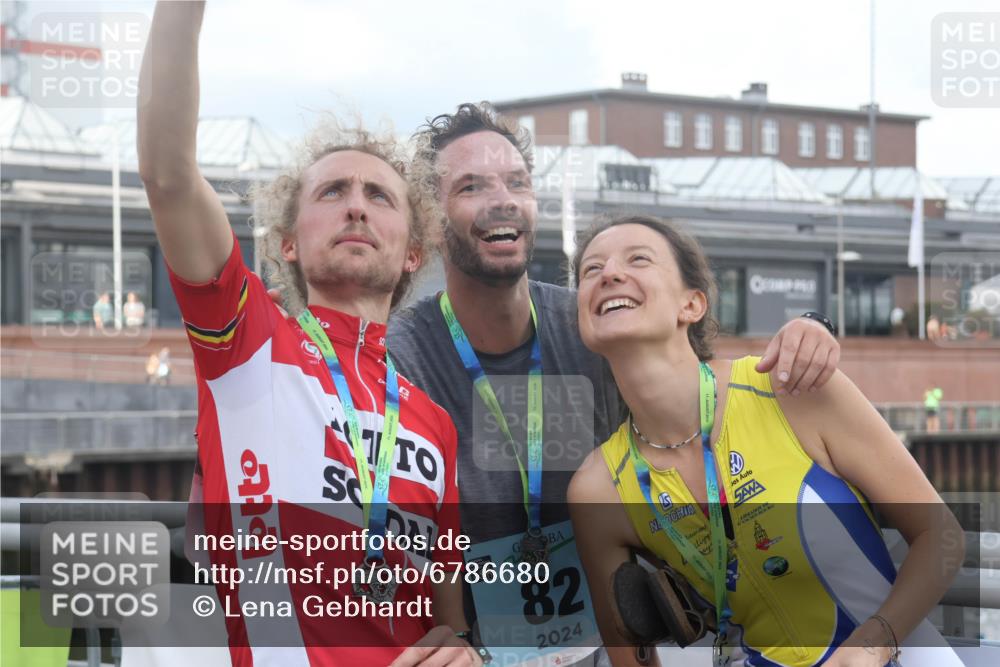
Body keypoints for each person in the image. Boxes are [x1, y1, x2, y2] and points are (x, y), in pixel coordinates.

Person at [383, 103, 843, 665]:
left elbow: (699, 388)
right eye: (472, 186)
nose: (502, 199)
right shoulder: (397, 353)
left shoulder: (591, 324)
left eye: (517, 182)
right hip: (472, 651)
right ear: (431, 221)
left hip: (614, 640)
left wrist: (808, 331)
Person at [139, 3, 473, 665]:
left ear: (412, 252)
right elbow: (168, 174)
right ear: (288, 243)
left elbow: (446, 617)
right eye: (332, 192)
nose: (356, 203)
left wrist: (461, 647)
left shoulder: (434, 422)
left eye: (380, 196)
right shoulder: (247, 342)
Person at [566, 215, 964, 667]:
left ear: (692, 304)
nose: (610, 274)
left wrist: (872, 646)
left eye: (638, 259)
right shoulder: (598, 488)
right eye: (591, 271)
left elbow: (942, 534)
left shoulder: (789, 389)